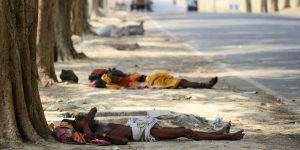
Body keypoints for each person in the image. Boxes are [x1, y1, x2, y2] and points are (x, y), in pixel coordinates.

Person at [53, 108, 245, 145]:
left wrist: (86, 125)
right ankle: (225, 136)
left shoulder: (90, 123)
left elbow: (93, 110)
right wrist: (102, 137)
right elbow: (123, 141)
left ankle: (219, 132)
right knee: (186, 132)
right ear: (76, 127)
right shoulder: (96, 134)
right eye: (80, 120)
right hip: (144, 133)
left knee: (185, 130)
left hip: (140, 124)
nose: (84, 118)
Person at [88, 68, 218, 89]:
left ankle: (203, 85)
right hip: (147, 82)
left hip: (147, 78)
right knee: (180, 82)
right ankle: (204, 85)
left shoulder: (112, 76)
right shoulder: (107, 79)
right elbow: (118, 85)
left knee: (179, 82)